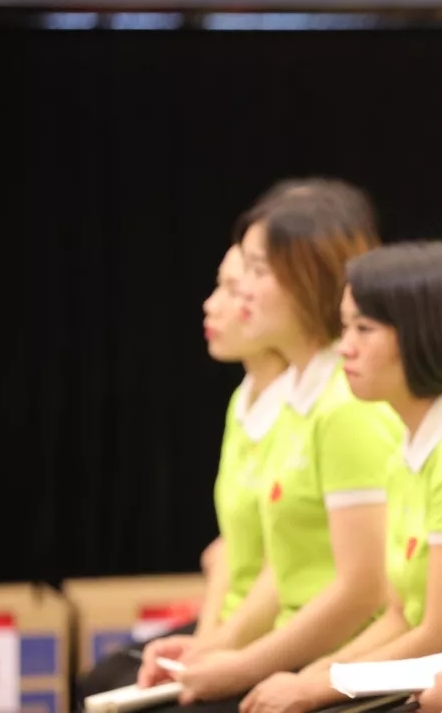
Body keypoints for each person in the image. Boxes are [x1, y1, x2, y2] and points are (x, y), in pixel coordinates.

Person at [136, 179, 402, 710]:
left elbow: (364, 590)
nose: (240, 294)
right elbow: (282, 563)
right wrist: (213, 648)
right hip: (294, 646)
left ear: (311, 277)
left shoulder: (346, 404)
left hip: (341, 661)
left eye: (257, 272)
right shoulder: (300, 396)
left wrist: (239, 662)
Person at [239, 241, 442, 713]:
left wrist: (319, 685)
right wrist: (313, 676)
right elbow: (400, 615)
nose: (345, 347)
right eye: (344, 327)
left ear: (420, 332)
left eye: (363, 328)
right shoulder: (408, 440)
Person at [76, 240, 291, 699]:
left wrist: (216, 647)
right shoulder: (244, 400)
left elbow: (293, 565)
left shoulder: (314, 409)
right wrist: (207, 639)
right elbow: (227, 549)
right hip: (234, 623)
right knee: (101, 680)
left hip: (283, 633)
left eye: (234, 288)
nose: (211, 304)